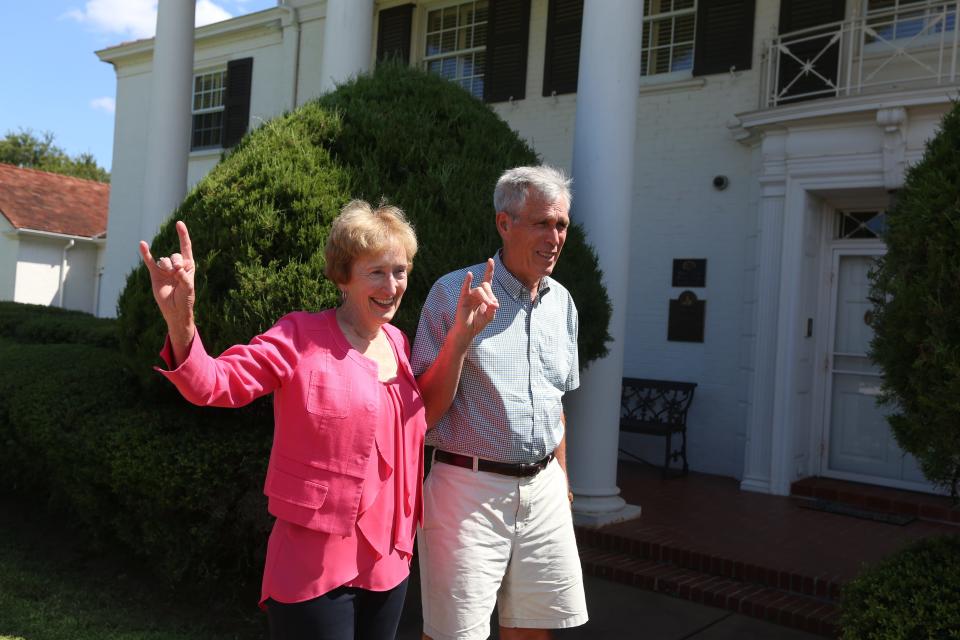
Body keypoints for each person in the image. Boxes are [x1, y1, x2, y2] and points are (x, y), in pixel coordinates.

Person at [138, 200, 428, 640]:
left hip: (390, 559)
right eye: (376, 272)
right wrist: (182, 321)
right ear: (343, 276)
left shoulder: (398, 342)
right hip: (314, 563)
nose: (392, 286)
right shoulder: (298, 336)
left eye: (400, 271)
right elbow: (214, 384)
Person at [412, 165, 589, 640]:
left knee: (534, 631)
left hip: (545, 489)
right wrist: (460, 339)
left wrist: (564, 482)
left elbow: (556, 404)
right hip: (467, 490)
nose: (555, 237)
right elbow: (422, 411)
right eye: (542, 223)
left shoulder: (563, 303)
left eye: (562, 225)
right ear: (504, 224)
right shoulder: (455, 293)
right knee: (454, 635)